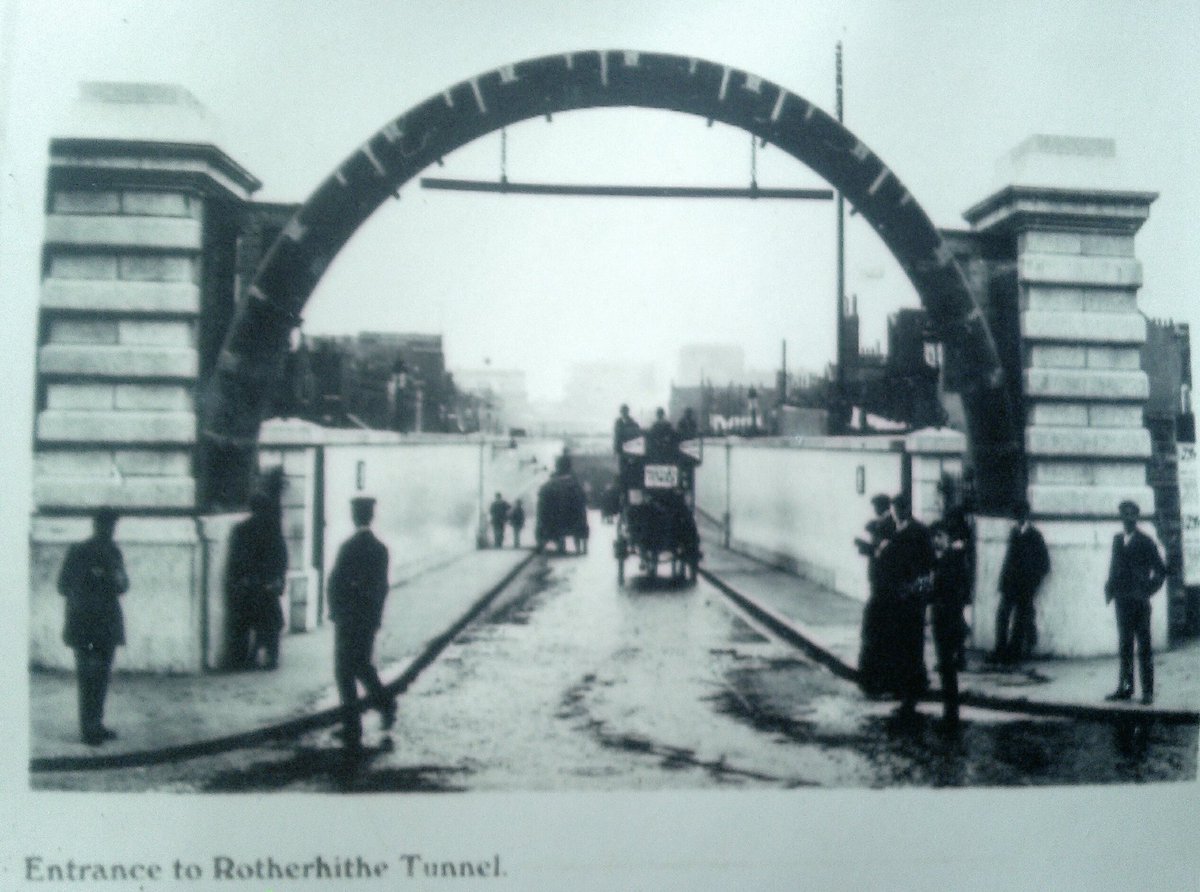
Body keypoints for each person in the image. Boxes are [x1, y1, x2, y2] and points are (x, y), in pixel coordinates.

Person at [328, 496, 397, 750]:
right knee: (361, 666)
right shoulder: (380, 549)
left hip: (347, 618)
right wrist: (376, 617)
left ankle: (354, 725)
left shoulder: (347, 547)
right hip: (366, 619)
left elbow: (334, 582)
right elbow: (382, 588)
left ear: (355, 516)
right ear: (371, 516)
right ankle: (385, 704)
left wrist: (335, 611)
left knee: (344, 670)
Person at [57, 507, 129, 745]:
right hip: (85, 623)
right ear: (96, 525)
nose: (109, 530)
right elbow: (63, 585)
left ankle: (96, 723)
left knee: (101, 676)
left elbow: (123, 585)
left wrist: (113, 579)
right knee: (89, 676)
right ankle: (89, 729)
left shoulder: (114, 552)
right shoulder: (79, 551)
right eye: (106, 525)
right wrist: (93, 581)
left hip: (105, 624)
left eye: (112, 526)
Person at [872, 493, 935, 717]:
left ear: (908, 509)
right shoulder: (892, 531)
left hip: (912, 598)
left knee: (912, 646)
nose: (897, 513)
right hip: (895, 597)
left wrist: (919, 591)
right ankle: (904, 690)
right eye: (895, 510)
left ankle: (912, 694)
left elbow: (929, 566)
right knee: (899, 645)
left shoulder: (920, 531)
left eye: (900, 509)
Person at [1104, 500, 1166, 705]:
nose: (1128, 518)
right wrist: (1110, 588)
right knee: (1125, 645)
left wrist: (1147, 590)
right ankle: (1126, 688)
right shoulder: (1117, 540)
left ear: (1137, 517)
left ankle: (1147, 692)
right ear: (1121, 517)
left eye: (1132, 514)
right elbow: (1114, 566)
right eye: (1125, 514)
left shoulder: (1146, 541)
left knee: (1144, 646)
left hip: (1139, 602)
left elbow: (1161, 570)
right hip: (1122, 601)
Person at [225, 492, 289, 670]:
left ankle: (245, 658)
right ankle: (270, 658)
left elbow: (237, 559)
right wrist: (278, 580)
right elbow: (282, 559)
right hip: (267, 584)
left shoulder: (241, 529)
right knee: (271, 623)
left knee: (246, 622)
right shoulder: (273, 529)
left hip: (250, 584)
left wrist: (239, 580)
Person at [992, 499, 1050, 666]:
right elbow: (1008, 560)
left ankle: (1013, 652)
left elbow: (1044, 563)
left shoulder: (1035, 535)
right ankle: (1000, 649)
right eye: (1017, 515)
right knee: (1003, 615)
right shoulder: (1014, 533)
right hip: (1010, 584)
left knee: (1020, 619)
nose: (1019, 518)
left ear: (1027, 515)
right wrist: (1003, 581)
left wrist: (1033, 581)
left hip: (1025, 586)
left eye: (1021, 515)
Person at [930, 520, 971, 727]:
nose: (936, 540)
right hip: (943, 618)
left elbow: (952, 589)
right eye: (934, 537)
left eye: (940, 536)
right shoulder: (944, 559)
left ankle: (951, 714)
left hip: (949, 619)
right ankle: (950, 711)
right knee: (946, 668)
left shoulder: (951, 560)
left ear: (948, 538)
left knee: (947, 667)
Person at [855, 494, 895, 696]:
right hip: (878, 584)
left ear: (882, 506)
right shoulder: (881, 524)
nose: (874, 510)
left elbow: (885, 554)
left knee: (875, 632)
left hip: (883, 586)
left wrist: (869, 548)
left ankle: (876, 681)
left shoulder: (888, 525)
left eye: (876, 506)